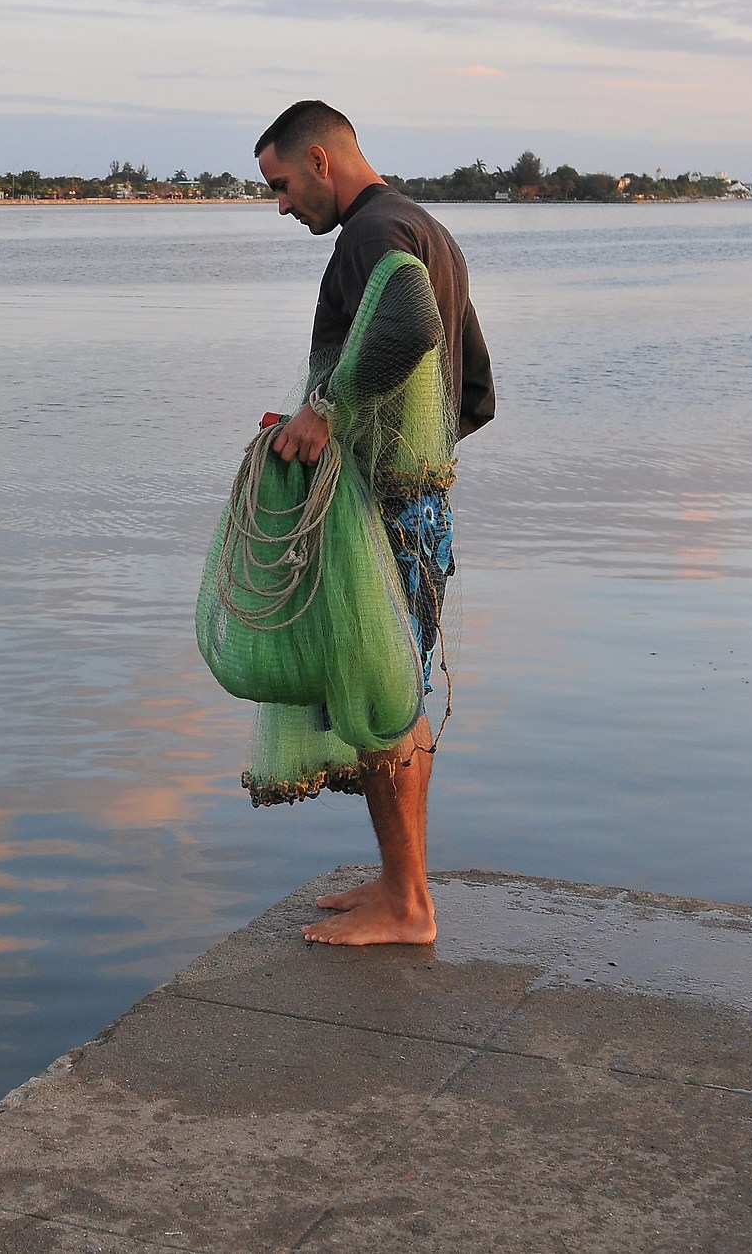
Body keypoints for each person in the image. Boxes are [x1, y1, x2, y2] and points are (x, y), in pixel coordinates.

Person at [255, 101, 493, 946]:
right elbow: (471, 394)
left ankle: (409, 906)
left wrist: (329, 410)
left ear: (321, 159)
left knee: (384, 697)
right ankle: (403, 884)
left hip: (387, 517)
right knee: (400, 691)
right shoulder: (426, 229)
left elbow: (411, 328)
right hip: (415, 508)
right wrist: (327, 428)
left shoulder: (371, 235)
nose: (281, 205)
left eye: (280, 185)